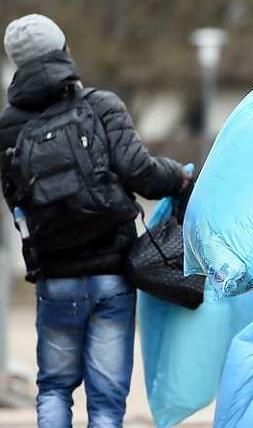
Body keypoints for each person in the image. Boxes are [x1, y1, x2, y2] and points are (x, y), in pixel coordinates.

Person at [0, 14, 190, 427]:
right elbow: (142, 173)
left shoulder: (7, 128)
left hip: (54, 277)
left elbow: (15, 199)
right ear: (63, 50)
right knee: (105, 403)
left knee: (53, 388)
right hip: (111, 276)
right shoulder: (100, 105)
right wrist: (180, 176)